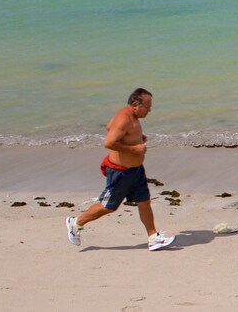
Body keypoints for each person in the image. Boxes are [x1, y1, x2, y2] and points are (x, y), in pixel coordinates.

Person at [66, 88, 175, 251]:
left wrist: (137, 139)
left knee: (144, 202)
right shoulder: (123, 118)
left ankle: (153, 238)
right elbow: (109, 142)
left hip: (136, 170)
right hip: (120, 172)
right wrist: (134, 149)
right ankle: (76, 223)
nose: (149, 111)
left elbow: (113, 130)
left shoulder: (131, 116)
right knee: (108, 206)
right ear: (134, 104)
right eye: (147, 107)